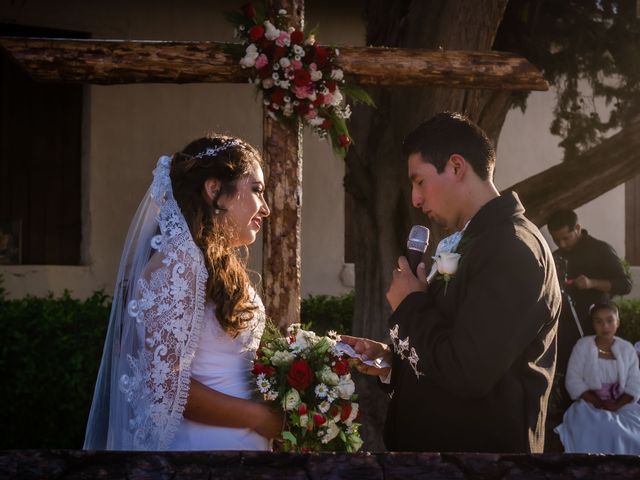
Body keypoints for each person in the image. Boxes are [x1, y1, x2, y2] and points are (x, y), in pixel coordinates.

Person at [342, 112, 561, 453]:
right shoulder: (477, 241)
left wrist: (411, 306)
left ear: (457, 167)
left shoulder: (513, 249)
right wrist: (390, 360)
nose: (415, 198)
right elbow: (447, 349)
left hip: (481, 465)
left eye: (419, 181)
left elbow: (467, 372)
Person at [84, 134, 283, 450]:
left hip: (241, 448)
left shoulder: (215, 265)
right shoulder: (177, 263)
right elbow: (165, 384)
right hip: (200, 453)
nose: (266, 208)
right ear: (214, 189)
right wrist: (259, 417)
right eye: (257, 190)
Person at [547, 208, 632, 374]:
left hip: (594, 329)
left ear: (577, 228)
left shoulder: (601, 250)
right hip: (563, 332)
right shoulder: (554, 256)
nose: (562, 244)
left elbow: (625, 284)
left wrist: (592, 283)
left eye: (566, 238)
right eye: (556, 240)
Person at [554, 302, 640, 454]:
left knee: (633, 432)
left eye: (609, 320)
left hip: (622, 405)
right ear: (593, 324)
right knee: (602, 429)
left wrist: (617, 404)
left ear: (617, 322)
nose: (605, 326)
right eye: (598, 321)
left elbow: (635, 382)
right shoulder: (582, 346)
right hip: (589, 405)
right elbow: (573, 380)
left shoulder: (627, 349)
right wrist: (597, 402)